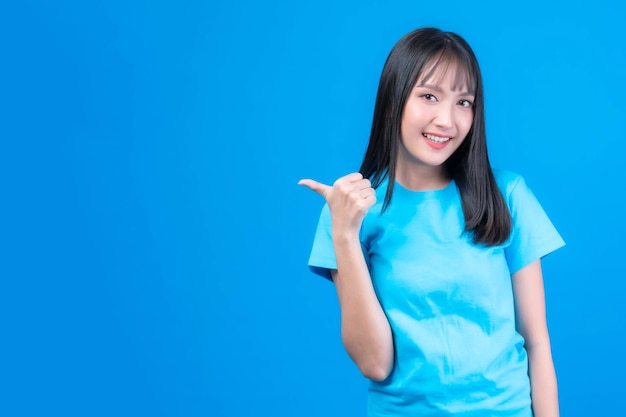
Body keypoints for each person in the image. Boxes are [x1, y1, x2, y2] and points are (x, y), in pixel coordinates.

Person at [298, 27, 564, 416]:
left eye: (464, 102)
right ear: (393, 102)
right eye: (429, 96)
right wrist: (344, 233)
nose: (447, 120)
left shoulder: (506, 195)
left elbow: (537, 343)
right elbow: (375, 363)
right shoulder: (351, 209)